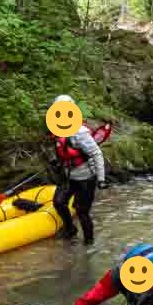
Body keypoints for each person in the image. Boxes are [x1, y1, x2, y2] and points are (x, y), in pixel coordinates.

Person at [48, 94, 106, 245]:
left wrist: (101, 179)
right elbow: (62, 151)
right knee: (59, 202)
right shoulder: (57, 130)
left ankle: (89, 243)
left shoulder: (80, 133)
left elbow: (96, 153)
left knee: (82, 212)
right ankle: (70, 229)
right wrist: (57, 162)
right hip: (69, 176)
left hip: (86, 178)